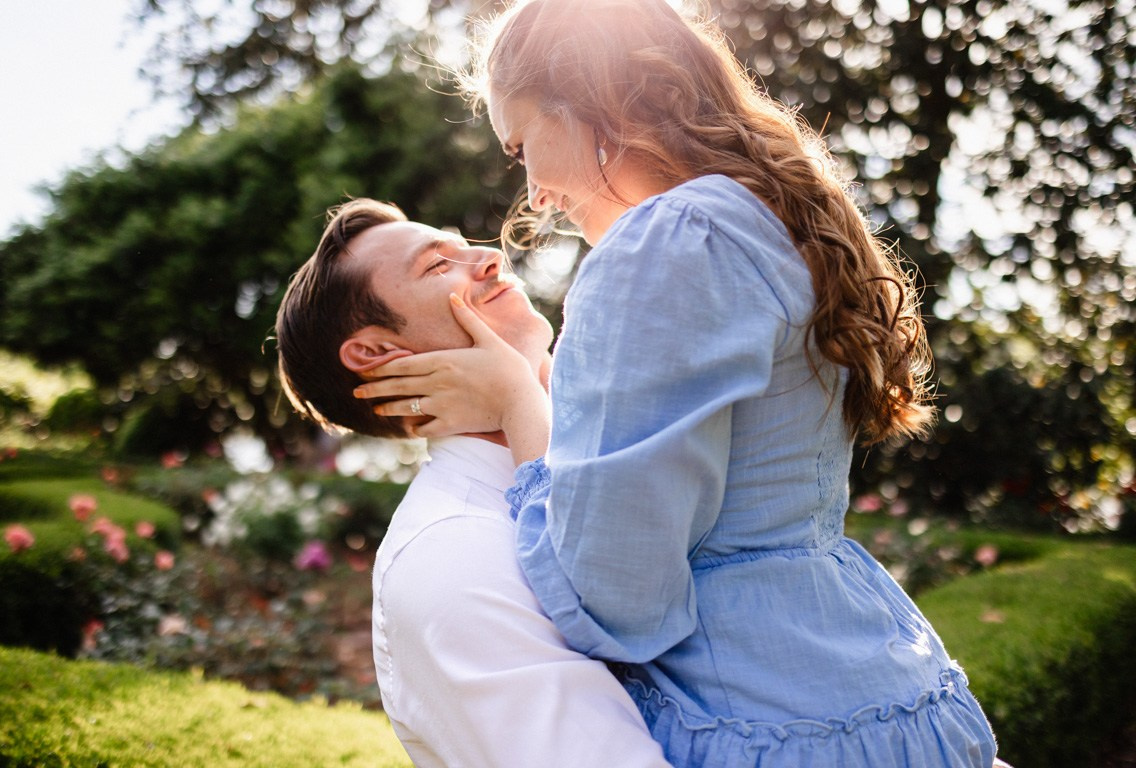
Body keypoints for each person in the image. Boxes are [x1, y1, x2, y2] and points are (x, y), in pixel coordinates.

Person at [352, 0, 1004, 765]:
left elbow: (615, 597)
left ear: (584, 103)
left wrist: (519, 400)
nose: (531, 193)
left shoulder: (660, 245)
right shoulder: (762, 217)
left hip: (767, 714)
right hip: (871, 681)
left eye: (522, 143)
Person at [275, 197, 672, 768]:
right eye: (437, 266)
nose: (489, 257)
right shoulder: (452, 555)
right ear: (379, 354)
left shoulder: (630, 440)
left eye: (464, 245)